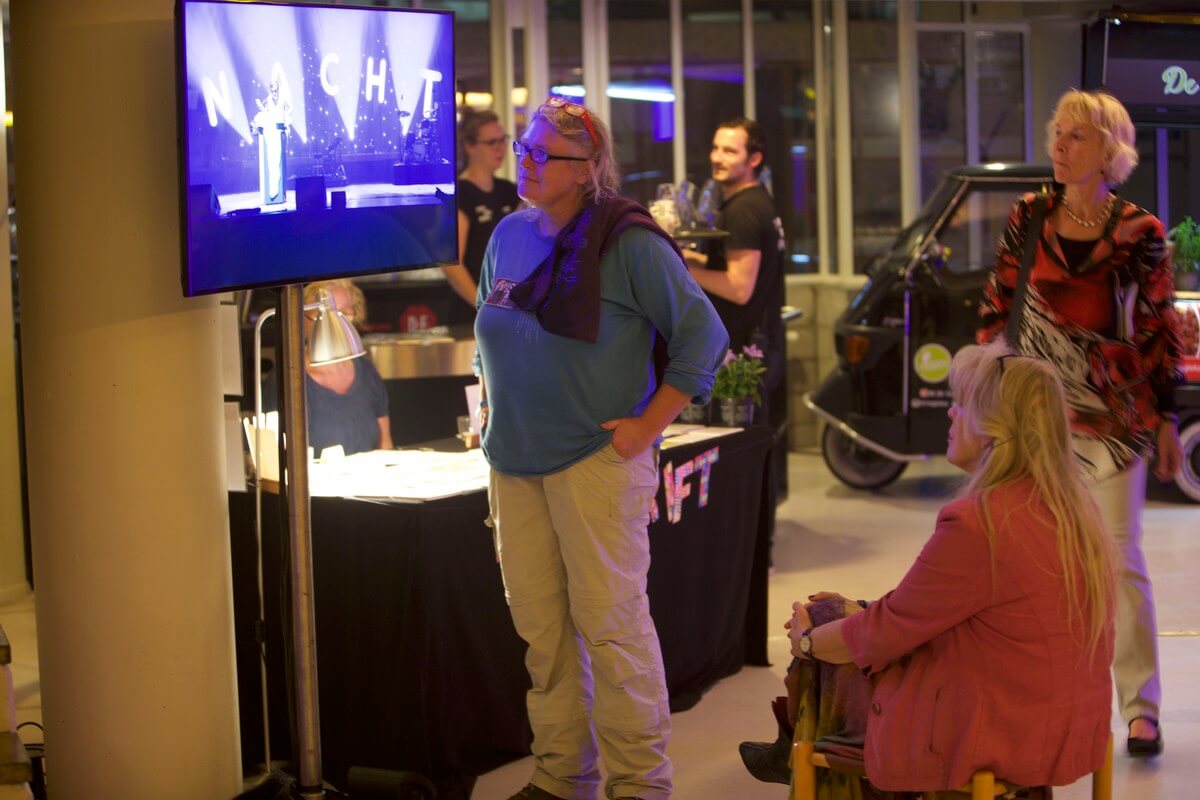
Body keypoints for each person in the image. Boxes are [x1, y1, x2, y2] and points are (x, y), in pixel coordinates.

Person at [474, 96, 728, 800]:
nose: (522, 162)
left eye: (538, 154)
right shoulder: (510, 235)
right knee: (544, 635)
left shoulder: (628, 242)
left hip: (593, 460)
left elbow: (703, 338)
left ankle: (639, 786)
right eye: (521, 148)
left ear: (586, 168)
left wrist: (648, 427)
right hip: (513, 461)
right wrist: (489, 404)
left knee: (612, 634)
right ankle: (561, 777)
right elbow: (487, 334)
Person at [778, 342, 1116, 795]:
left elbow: (886, 631)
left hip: (993, 733)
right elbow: (946, 610)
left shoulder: (982, 523)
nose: (951, 416)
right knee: (840, 618)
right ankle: (787, 744)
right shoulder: (1074, 510)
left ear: (995, 429)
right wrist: (855, 609)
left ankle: (798, 756)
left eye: (962, 405)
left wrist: (807, 642)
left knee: (826, 640)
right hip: (1064, 728)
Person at [977, 89, 1184, 756]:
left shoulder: (1138, 233)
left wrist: (1167, 422)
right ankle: (1044, 695)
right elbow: (995, 308)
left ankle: (1140, 707)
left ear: (1111, 152)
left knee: (1118, 560)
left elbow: (1158, 332)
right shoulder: (1029, 215)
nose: (1060, 147)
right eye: (1057, 134)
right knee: (1031, 558)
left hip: (1114, 421)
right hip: (1034, 419)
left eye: (1076, 137)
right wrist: (990, 396)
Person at [683, 117, 786, 425]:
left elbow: (738, 288)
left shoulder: (744, 211)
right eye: (715, 148)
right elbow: (730, 267)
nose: (717, 158)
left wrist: (682, 272)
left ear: (753, 159)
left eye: (729, 151)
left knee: (738, 456)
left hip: (745, 352)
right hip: (761, 343)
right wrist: (685, 256)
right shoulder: (754, 200)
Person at [265, 279, 392, 457]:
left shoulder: (365, 369)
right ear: (303, 319)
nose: (336, 324)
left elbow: (386, 444)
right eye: (325, 315)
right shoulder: (286, 380)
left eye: (345, 314)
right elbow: (276, 457)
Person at [442, 110, 520, 307]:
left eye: (503, 140)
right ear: (469, 146)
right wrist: (482, 305)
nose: (500, 148)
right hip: (470, 310)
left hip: (507, 307)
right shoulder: (461, 194)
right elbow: (451, 264)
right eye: (492, 142)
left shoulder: (508, 190)